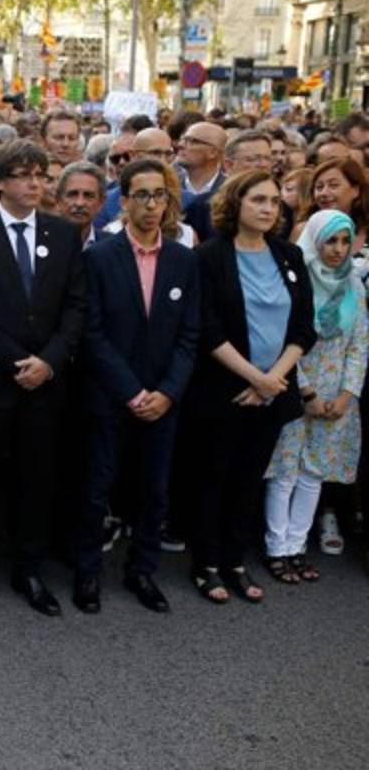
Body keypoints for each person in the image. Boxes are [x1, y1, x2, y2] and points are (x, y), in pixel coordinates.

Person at [0, 139, 87, 619]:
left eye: (40, 175)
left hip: (45, 384)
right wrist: (16, 362)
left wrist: (48, 360)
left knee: (36, 478)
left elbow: (75, 306)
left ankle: (29, 568)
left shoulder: (63, 235)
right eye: (24, 174)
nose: (34, 183)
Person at [73, 159, 200, 615]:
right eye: (142, 195)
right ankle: (87, 570)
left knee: (154, 489)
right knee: (96, 486)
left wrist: (166, 392)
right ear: (123, 201)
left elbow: (190, 334)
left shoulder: (184, 261)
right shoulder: (99, 258)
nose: (152, 204)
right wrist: (131, 391)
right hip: (110, 396)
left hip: (163, 400)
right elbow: (93, 332)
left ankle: (142, 570)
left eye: (160, 195)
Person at [188, 170, 315, 605]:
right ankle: (206, 564)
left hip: (272, 393)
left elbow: (303, 329)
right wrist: (252, 377)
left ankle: (235, 561)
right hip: (223, 390)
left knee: (247, 480)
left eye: (274, 202)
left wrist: (271, 380)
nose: (268, 208)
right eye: (258, 199)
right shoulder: (209, 256)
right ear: (235, 204)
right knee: (214, 477)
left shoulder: (289, 256)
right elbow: (206, 328)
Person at [263, 210, 365, 584]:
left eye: (344, 240)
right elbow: (288, 340)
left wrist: (346, 394)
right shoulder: (298, 281)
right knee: (284, 472)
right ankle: (276, 547)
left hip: (336, 395)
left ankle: (296, 546)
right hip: (295, 388)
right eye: (330, 240)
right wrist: (304, 390)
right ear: (314, 241)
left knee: (314, 473)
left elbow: (359, 345)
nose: (337, 250)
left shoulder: (354, 284)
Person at [56, 161, 107, 246]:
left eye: (88, 195)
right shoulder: (38, 244)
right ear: (58, 200)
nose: (80, 203)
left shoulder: (112, 247)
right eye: (73, 194)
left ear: (101, 203)